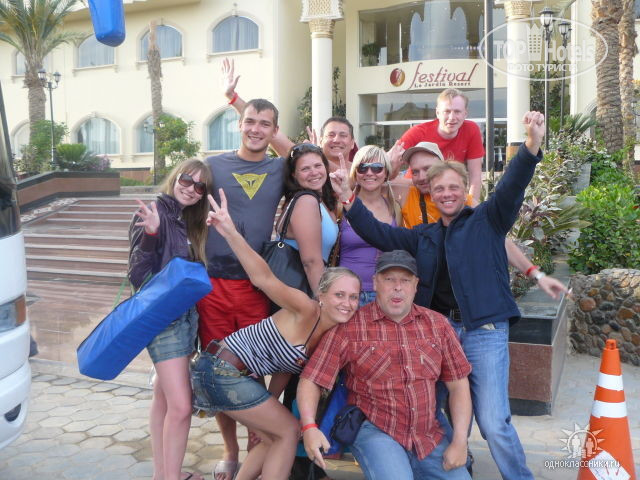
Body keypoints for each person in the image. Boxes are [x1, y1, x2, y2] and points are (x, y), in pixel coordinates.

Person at [331, 112, 552, 479]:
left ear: (464, 189)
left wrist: (531, 145)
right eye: (439, 189)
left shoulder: (488, 219)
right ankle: (452, 462)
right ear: (430, 194)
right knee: (431, 409)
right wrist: (349, 201)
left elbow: (512, 185)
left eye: (453, 187)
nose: (446, 194)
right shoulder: (425, 236)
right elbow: (380, 234)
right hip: (440, 332)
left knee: (493, 422)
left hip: (484, 331)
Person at [191, 188, 361, 480]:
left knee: (271, 436)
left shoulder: (330, 334)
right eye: (339, 295)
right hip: (219, 369)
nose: (347, 303)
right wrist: (229, 231)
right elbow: (263, 278)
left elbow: (286, 368)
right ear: (322, 295)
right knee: (289, 431)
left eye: (354, 297)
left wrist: (268, 405)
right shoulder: (306, 308)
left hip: (238, 377)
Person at [298, 250, 472, 480]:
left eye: (405, 280)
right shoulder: (350, 328)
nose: (397, 287)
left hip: (427, 435)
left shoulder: (438, 325)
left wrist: (460, 441)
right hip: (375, 430)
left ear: (416, 285)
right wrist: (309, 427)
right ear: (375, 283)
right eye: (389, 279)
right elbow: (312, 379)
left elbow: (458, 385)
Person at [197, 98, 284, 480]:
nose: (255, 129)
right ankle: (230, 449)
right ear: (239, 124)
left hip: (256, 285)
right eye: (250, 121)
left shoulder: (280, 167)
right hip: (213, 284)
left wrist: (237, 99)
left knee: (252, 369)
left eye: (265, 123)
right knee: (219, 369)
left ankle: (256, 444)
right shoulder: (213, 166)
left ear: (274, 130)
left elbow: (307, 157)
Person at [128, 159, 212, 480]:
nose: (191, 189)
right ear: (175, 177)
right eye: (186, 180)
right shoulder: (155, 212)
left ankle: (162, 474)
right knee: (181, 407)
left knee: (163, 398)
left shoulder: (185, 220)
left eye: (199, 186)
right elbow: (138, 276)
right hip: (165, 322)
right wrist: (150, 234)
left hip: (185, 319)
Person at [399, 141, 568, 300]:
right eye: (415, 171)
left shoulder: (464, 202)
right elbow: (382, 180)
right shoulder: (407, 193)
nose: (421, 177)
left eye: (427, 169)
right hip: (425, 290)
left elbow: (496, 238)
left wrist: (535, 274)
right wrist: (392, 164)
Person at [221, 58, 356, 172]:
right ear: (320, 141)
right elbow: (271, 133)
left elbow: (345, 178)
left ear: (352, 143)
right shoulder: (303, 163)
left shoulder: (361, 172)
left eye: (343, 135)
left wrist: (315, 154)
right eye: (330, 135)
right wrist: (232, 97)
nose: (336, 140)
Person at [338, 145, 402, 306]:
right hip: (347, 294)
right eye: (362, 168)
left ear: (386, 173)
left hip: (385, 294)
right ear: (355, 173)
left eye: (377, 168)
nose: (369, 173)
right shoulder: (341, 206)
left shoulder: (395, 208)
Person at [400, 88, 484, 201]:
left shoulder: (471, 130)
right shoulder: (418, 132)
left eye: (457, 111)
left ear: (465, 113)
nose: (452, 117)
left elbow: (475, 176)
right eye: (447, 111)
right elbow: (388, 164)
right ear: (438, 113)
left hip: (445, 195)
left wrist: (472, 208)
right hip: (415, 193)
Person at [280, 143, 338, 293]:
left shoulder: (321, 200)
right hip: (302, 291)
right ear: (294, 175)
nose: (314, 172)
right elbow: (311, 262)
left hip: (308, 286)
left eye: (318, 165)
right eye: (305, 169)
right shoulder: (306, 201)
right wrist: (322, 299)